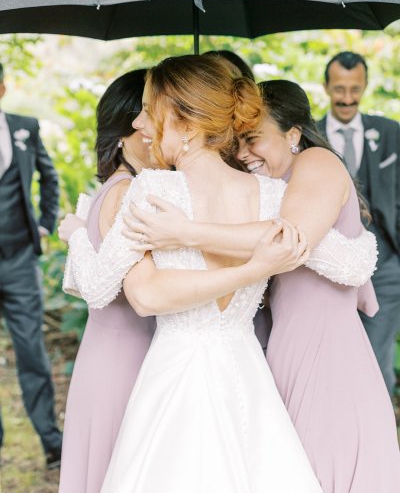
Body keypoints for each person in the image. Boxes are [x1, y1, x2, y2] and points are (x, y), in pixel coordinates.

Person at [122, 79, 400, 493]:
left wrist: (186, 232)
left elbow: (287, 240)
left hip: (326, 354)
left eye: (254, 139)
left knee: (328, 468)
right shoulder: (270, 191)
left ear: (292, 135)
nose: (244, 152)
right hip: (280, 346)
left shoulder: (316, 161)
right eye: (239, 141)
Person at [57, 70, 156, 493]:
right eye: (146, 120)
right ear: (122, 132)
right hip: (124, 356)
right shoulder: (127, 191)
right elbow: (100, 286)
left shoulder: (111, 188)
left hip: (105, 350)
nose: (153, 132)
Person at [318, 51, 400, 395]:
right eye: (339, 89)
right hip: (327, 267)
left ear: (365, 85)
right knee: (330, 360)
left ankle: (380, 440)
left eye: (354, 89)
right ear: (326, 87)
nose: (347, 98)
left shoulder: (391, 133)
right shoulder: (310, 136)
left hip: (386, 267)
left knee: (377, 359)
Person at [0, 62, 62, 468]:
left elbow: (48, 176)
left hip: (20, 258)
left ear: (2, 87)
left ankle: (52, 443)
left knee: (32, 353)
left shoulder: (25, 126)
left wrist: (45, 223)